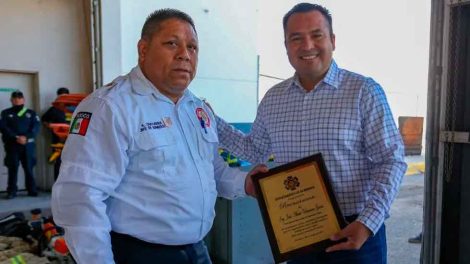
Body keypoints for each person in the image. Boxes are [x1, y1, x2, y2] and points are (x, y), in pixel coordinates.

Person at [51, 8, 265, 264]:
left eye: (192, 47)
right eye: (172, 44)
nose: (185, 55)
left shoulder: (196, 108)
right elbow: (81, 197)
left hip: (197, 251)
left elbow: (213, 170)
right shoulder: (111, 107)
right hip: (139, 254)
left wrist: (246, 183)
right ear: (143, 50)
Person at [215, 3, 407, 264]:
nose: (307, 46)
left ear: (333, 40)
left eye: (317, 35)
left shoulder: (363, 91)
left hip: (355, 233)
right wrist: (208, 120)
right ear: (286, 46)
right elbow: (254, 150)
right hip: (298, 234)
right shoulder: (274, 99)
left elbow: (391, 160)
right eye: (296, 38)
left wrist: (368, 222)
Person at [0, 91, 40, 199]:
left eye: (19, 97)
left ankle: (31, 190)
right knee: (12, 168)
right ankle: (11, 191)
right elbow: (3, 128)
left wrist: (25, 137)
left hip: (28, 145)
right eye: (15, 98)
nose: (17, 99)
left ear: (23, 99)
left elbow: (36, 127)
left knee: (29, 168)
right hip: (12, 145)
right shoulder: (5, 113)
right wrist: (16, 137)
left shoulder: (31, 113)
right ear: (11, 100)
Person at [41, 87, 70, 180]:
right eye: (61, 96)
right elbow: (44, 120)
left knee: (73, 163)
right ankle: (57, 186)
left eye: (65, 96)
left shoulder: (75, 108)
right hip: (58, 140)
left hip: (73, 140)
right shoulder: (53, 109)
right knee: (58, 163)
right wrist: (50, 126)